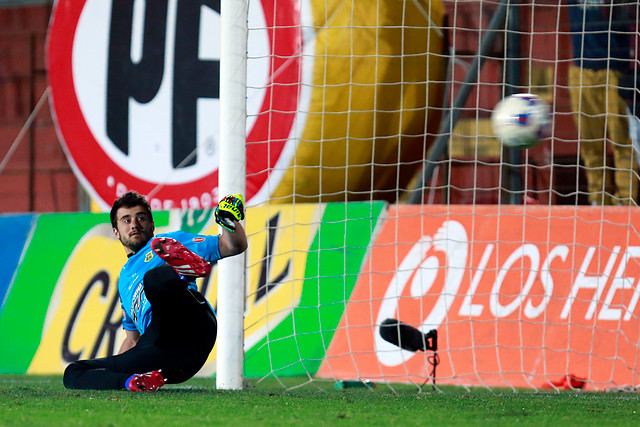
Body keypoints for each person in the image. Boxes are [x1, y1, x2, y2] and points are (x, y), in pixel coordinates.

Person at [63, 191, 247, 391]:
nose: (134, 224)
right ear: (116, 231)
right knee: (73, 373)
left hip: (192, 324)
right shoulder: (124, 279)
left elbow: (232, 245)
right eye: (126, 220)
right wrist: (121, 366)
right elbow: (132, 340)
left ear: (152, 225)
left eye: (141, 217)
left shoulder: (168, 242)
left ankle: (184, 274)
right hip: (164, 355)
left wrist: (228, 220)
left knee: (153, 279)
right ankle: (133, 383)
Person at [567, 0, 637, 205]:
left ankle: (626, 199)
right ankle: (598, 199)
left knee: (622, 139)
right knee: (590, 142)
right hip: (580, 70)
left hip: (615, 68)